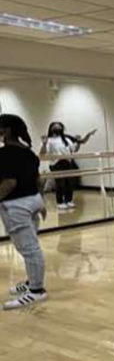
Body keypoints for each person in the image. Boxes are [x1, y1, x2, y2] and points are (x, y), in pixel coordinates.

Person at [0, 114, 48, 310]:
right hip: (33, 200)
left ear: (7, 130)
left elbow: (8, 183)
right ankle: (32, 281)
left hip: (16, 205)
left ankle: (37, 291)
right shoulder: (28, 153)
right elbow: (38, 181)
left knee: (29, 249)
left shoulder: (4, 154)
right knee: (31, 246)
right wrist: (42, 202)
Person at [40, 122, 97, 210]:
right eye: (55, 127)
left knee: (69, 183)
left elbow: (76, 148)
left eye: (59, 127)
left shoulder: (66, 139)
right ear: (51, 129)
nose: (57, 128)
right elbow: (42, 153)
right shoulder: (49, 140)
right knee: (60, 183)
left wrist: (88, 135)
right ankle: (60, 202)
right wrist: (44, 144)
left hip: (68, 162)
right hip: (56, 164)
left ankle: (68, 200)